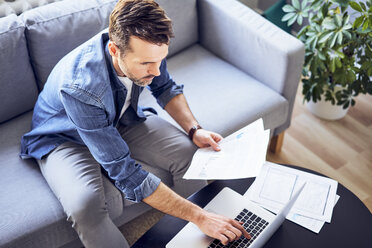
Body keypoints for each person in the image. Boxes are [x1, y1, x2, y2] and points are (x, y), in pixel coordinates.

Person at [20, 0, 251, 247]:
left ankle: (203, 237)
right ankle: (204, 220)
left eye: (160, 59)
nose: (157, 70)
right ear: (113, 50)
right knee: (85, 206)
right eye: (146, 64)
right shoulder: (80, 86)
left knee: (191, 155)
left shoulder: (147, 47)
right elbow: (127, 174)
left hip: (119, 118)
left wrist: (195, 129)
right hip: (65, 137)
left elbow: (165, 87)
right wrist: (199, 215)